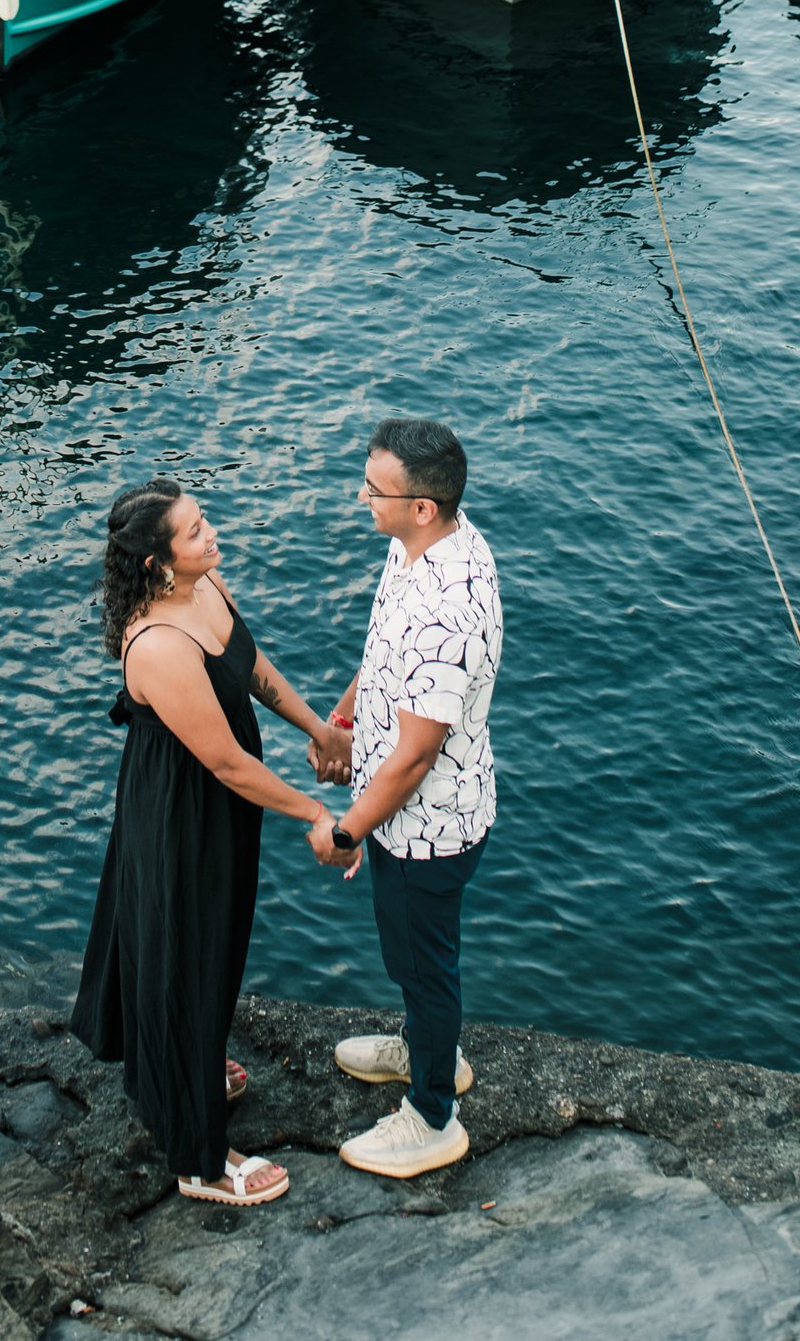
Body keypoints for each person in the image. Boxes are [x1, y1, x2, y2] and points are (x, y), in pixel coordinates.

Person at [73, 476, 351, 1208]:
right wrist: (312, 813)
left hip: (221, 803)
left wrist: (319, 728)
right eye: (196, 531)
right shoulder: (158, 645)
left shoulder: (203, 588)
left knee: (216, 945)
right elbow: (226, 761)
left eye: (204, 522)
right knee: (186, 954)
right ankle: (199, 1159)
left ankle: (183, 1065)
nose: (212, 534)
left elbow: (248, 669)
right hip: (182, 813)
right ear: (158, 563)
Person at [307, 417, 501, 1179]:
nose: (362, 497)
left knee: (424, 963)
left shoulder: (450, 607)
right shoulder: (416, 543)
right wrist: (347, 720)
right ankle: (428, 1047)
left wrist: (348, 831)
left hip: (427, 825)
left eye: (374, 489)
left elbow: (419, 754)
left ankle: (432, 1114)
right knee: (413, 958)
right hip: (403, 806)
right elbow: (384, 646)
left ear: (422, 505)